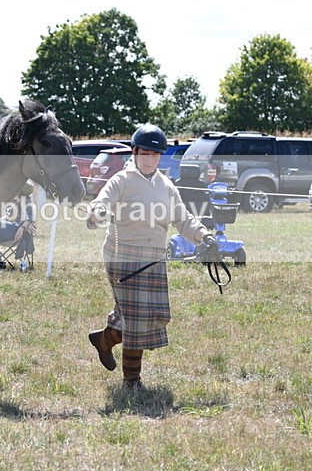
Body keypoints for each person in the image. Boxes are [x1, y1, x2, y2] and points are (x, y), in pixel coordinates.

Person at [85, 124, 215, 389]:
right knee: (136, 320)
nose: (150, 159)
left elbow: (182, 217)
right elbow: (102, 203)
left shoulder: (165, 185)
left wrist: (203, 235)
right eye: (145, 153)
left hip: (154, 259)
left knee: (147, 317)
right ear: (134, 152)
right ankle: (132, 380)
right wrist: (97, 212)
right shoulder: (121, 180)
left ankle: (104, 340)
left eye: (155, 154)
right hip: (123, 258)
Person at [0, 186, 36, 271]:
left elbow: (31, 219)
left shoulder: (27, 202)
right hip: (9, 232)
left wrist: (21, 229)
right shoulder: (13, 202)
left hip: (18, 232)